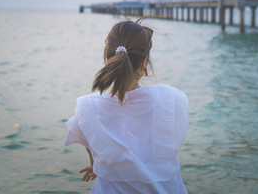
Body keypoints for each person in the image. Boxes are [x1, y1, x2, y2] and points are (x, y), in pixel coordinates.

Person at [64, 18, 189, 193]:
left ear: (109, 60)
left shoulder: (87, 107)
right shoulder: (173, 98)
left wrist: (99, 167)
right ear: (144, 64)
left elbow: (94, 149)